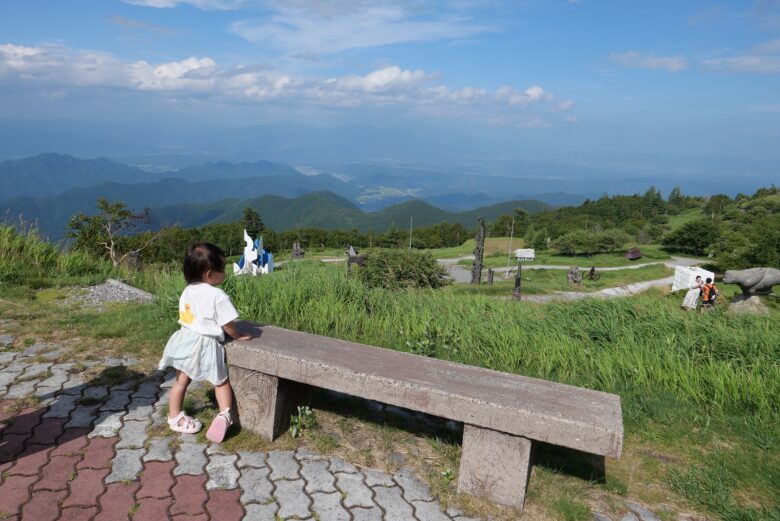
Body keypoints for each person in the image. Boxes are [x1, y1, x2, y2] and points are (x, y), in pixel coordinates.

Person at [159, 242, 252, 443]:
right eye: (223, 269)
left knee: (181, 382)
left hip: (185, 339)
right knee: (220, 381)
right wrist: (237, 335)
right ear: (209, 274)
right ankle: (225, 414)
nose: (225, 273)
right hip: (206, 344)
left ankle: (174, 416)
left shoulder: (187, 291)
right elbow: (227, 324)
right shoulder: (217, 295)